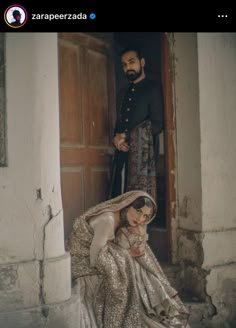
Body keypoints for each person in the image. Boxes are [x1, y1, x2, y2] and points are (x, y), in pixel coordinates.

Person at [66, 190, 190, 327]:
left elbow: (132, 245)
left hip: (102, 258)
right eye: (138, 211)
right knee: (132, 266)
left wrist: (140, 234)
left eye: (145, 216)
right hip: (83, 262)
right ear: (127, 204)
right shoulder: (108, 220)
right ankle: (149, 307)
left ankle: (154, 304)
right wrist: (128, 254)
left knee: (140, 255)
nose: (140, 219)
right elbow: (96, 259)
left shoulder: (125, 221)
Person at [110, 47, 164, 200]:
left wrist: (127, 136)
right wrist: (116, 139)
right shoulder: (123, 92)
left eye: (131, 62)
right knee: (119, 193)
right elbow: (119, 122)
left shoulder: (153, 89)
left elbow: (157, 124)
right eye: (124, 65)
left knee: (139, 200)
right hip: (122, 152)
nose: (128, 67)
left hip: (144, 155)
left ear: (142, 62)